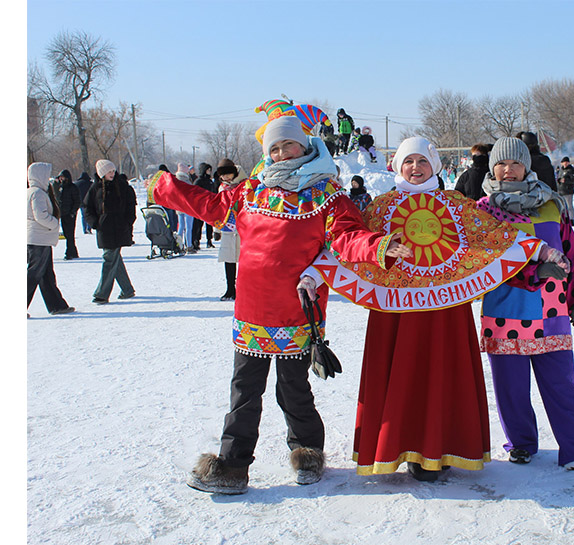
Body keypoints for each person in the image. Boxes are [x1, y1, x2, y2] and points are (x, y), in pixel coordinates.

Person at [151, 114, 409, 494]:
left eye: (288, 144)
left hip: (295, 311)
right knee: (244, 391)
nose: (282, 152)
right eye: (274, 148)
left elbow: (347, 238)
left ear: (303, 145)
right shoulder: (252, 190)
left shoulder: (327, 194)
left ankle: (307, 453)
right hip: (252, 312)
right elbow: (209, 205)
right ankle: (232, 467)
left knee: (293, 390)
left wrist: (378, 246)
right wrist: (166, 187)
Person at [301, 136, 569, 482]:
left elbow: (497, 236)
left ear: (435, 166)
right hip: (394, 312)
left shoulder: (456, 205)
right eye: (408, 162)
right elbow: (347, 245)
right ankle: (400, 445)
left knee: (443, 373)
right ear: (397, 166)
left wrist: (542, 252)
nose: (415, 168)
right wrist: (313, 274)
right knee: (402, 375)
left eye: (423, 162)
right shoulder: (380, 208)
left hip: (446, 310)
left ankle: (441, 447)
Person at [477, 136, 574, 470]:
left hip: (552, 311)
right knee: (511, 389)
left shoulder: (551, 204)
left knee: (561, 384)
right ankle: (521, 443)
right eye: (502, 164)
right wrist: (535, 271)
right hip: (505, 312)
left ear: (527, 166)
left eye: (515, 163)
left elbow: (572, 252)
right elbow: (486, 263)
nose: (509, 170)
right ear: (493, 167)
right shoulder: (482, 210)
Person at [82, 160, 137, 304]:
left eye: (113, 171)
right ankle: (127, 289)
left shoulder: (122, 185)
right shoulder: (95, 188)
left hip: (120, 228)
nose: (112, 174)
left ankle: (102, 293)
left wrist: (128, 221)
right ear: (102, 173)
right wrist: (95, 223)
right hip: (104, 229)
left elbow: (131, 205)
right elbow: (87, 207)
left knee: (109, 258)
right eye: (109, 172)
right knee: (114, 259)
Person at [27, 162, 75, 317]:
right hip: (39, 239)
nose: (48, 179)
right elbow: (40, 215)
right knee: (34, 274)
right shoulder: (38, 193)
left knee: (46, 275)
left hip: (37, 238)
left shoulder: (30, 192)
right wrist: (55, 223)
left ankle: (57, 305)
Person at [214, 158, 242, 301]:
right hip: (227, 227)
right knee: (229, 259)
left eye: (227, 174)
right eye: (222, 175)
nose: (225, 177)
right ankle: (230, 288)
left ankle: (242, 288)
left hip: (242, 228)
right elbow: (218, 209)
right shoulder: (222, 188)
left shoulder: (243, 185)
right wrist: (216, 229)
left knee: (243, 259)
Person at [56, 169, 81, 260]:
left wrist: (73, 212)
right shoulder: (61, 187)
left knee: (70, 234)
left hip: (70, 214)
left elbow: (77, 201)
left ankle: (69, 252)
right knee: (67, 234)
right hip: (63, 213)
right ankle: (73, 251)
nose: (61, 179)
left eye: (63, 177)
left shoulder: (72, 187)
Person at [191, 162, 215, 250]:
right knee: (198, 224)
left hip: (209, 205)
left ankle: (209, 240)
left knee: (209, 224)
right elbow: (194, 193)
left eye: (210, 170)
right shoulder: (198, 181)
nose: (209, 172)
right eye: (208, 170)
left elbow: (213, 191)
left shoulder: (210, 181)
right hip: (200, 206)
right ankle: (197, 241)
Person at [174, 163, 196, 253]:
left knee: (181, 226)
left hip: (179, 205)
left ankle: (178, 244)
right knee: (189, 227)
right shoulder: (186, 180)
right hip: (187, 206)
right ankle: (189, 245)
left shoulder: (175, 180)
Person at [556, 156, 574, 225]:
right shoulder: (561, 170)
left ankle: (571, 219)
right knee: (562, 207)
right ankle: (564, 219)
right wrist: (559, 180)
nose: (565, 164)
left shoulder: (571, 170)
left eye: (566, 162)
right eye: (563, 162)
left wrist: (566, 180)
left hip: (568, 191)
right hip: (560, 190)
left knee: (569, 206)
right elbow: (558, 178)